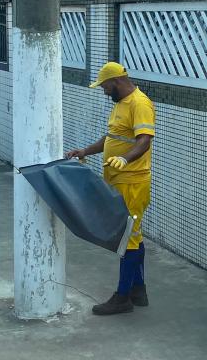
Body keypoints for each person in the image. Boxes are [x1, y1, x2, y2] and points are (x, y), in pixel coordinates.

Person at [66, 62, 155, 315]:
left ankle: (123, 297)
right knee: (131, 235)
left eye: (104, 86)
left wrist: (125, 159)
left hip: (132, 181)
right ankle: (138, 290)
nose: (104, 91)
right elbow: (112, 138)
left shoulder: (140, 103)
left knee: (127, 238)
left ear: (116, 81)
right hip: (118, 179)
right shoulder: (120, 104)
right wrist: (85, 151)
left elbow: (144, 141)